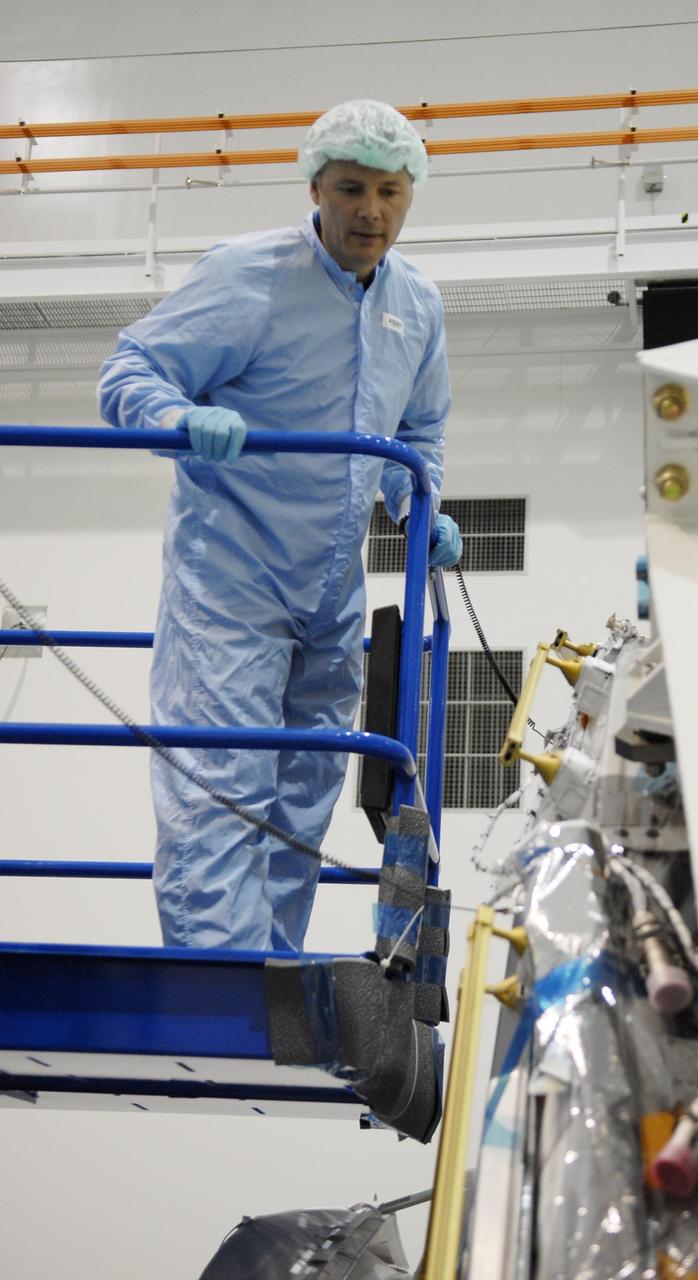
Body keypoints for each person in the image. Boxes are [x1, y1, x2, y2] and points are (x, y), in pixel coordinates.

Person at [98, 99, 462, 953]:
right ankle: (216, 989)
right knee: (220, 785)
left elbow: (420, 433)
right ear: (316, 188)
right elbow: (130, 371)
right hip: (231, 580)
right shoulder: (249, 274)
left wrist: (417, 508)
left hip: (333, 590)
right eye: (350, 189)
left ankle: (271, 976)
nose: (370, 211)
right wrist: (180, 419)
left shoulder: (418, 303)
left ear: (410, 197)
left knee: (305, 790)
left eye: (389, 192)